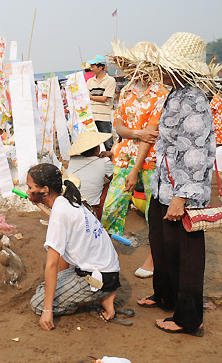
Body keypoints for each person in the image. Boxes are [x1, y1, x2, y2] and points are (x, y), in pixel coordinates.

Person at [136, 32, 219, 337]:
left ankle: (188, 318)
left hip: (182, 193)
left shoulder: (194, 100)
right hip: (163, 187)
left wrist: (181, 198)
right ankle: (165, 296)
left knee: (186, 255)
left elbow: (196, 154)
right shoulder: (175, 94)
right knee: (161, 245)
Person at [103, 41, 169, 279]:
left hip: (149, 158)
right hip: (125, 155)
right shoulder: (126, 90)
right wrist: (136, 133)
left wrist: (136, 169)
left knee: (154, 209)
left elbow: (151, 135)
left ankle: (153, 256)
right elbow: (119, 127)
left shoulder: (161, 93)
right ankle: (105, 250)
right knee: (112, 204)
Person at [27, 163, 120, 331]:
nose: (28, 192)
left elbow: (52, 264)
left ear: (45, 190)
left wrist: (47, 311)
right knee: (44, 288)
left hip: (100, 276)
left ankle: (100, 295)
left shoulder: (61, 211)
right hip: (107, 270)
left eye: (30, 187)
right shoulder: (66, 202)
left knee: (38, 303)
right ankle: (105, 295)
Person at [66, 131, 113, 219]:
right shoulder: (104, 161)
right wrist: (111, 156)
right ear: (98, 149)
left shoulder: (72, 160)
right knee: (111, 184)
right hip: (93, 208)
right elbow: (115, 178)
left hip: (72, 205)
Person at [86, 55, 117, 150]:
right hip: (92, 116)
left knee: (107, 143)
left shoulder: (110, 80)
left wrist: (90, 97)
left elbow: (104, 98)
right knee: (93, 144)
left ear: (101, 67)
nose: (91, 68)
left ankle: (110, 162)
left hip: (103, 116)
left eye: (93, 66)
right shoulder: (90, 81)